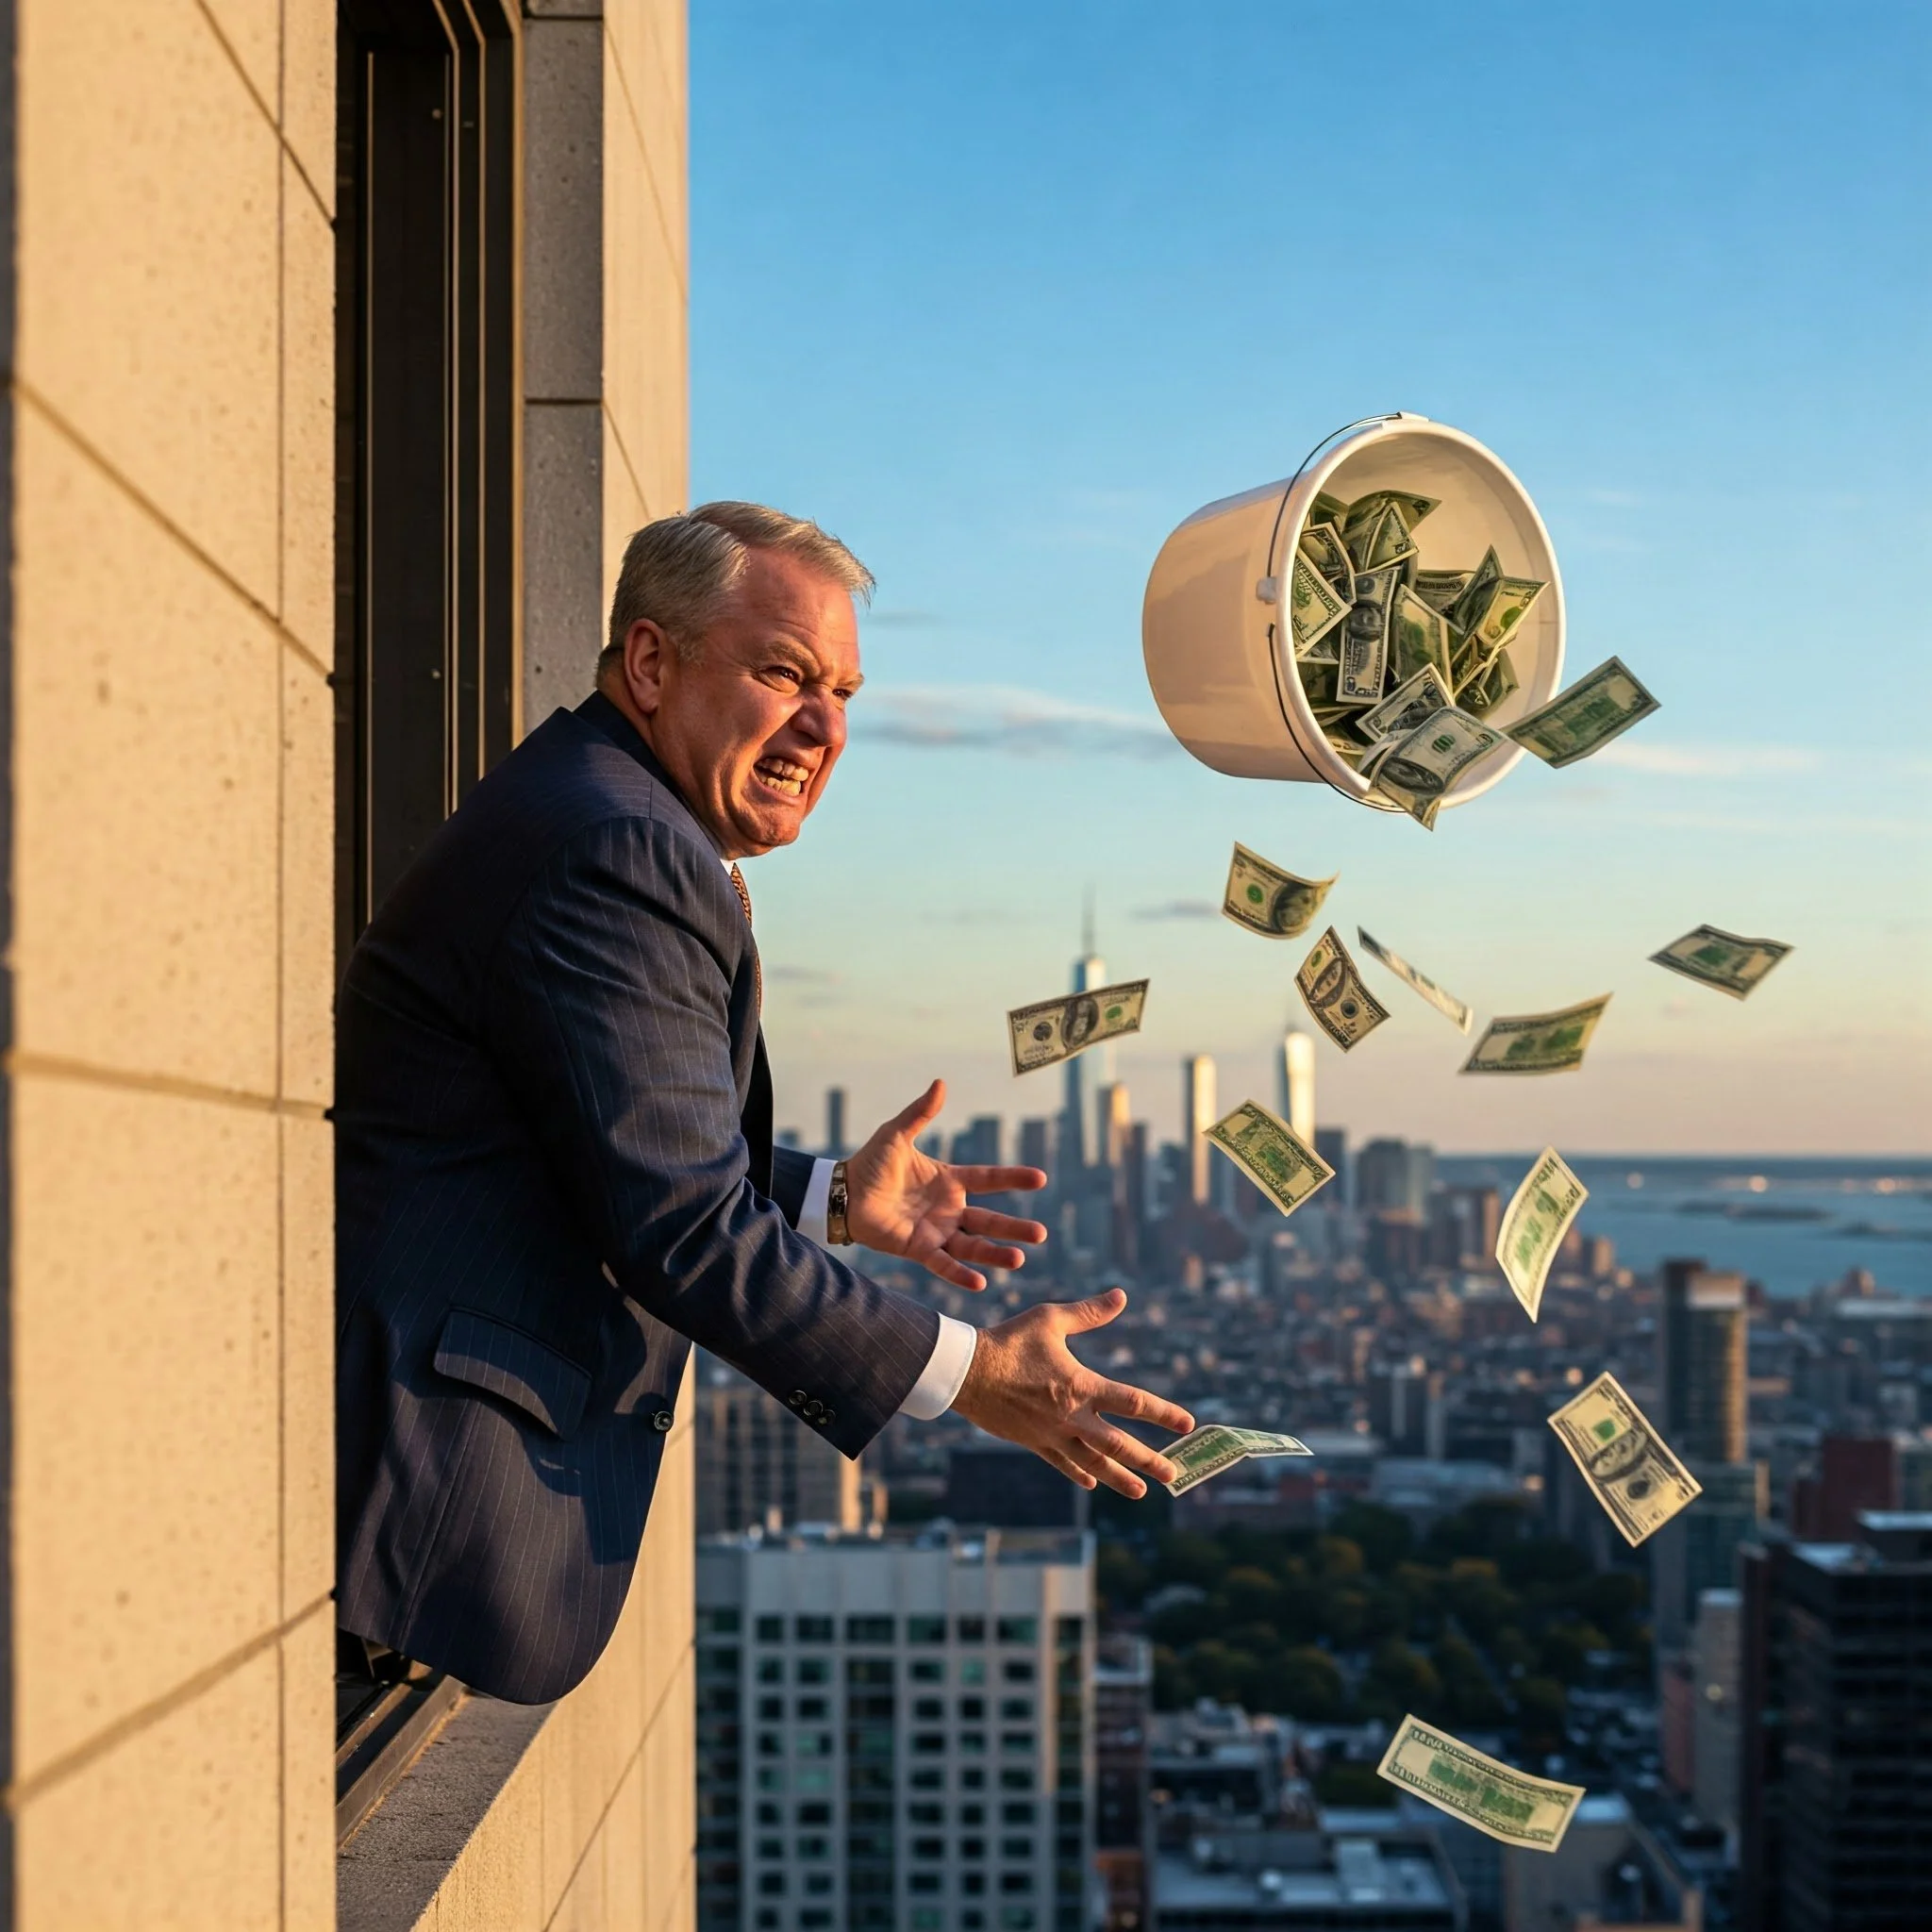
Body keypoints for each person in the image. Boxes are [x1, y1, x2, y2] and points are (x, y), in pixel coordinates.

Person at [335, 501, 1192, 1703]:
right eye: (784, 672)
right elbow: (679, 1223)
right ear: (650, 661)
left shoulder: (602, 809)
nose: (824, 726)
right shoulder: (618, 846)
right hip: (405, 1514)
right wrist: (976, 1372)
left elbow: (597, 1123)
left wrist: (827, 1195)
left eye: (842, 690)